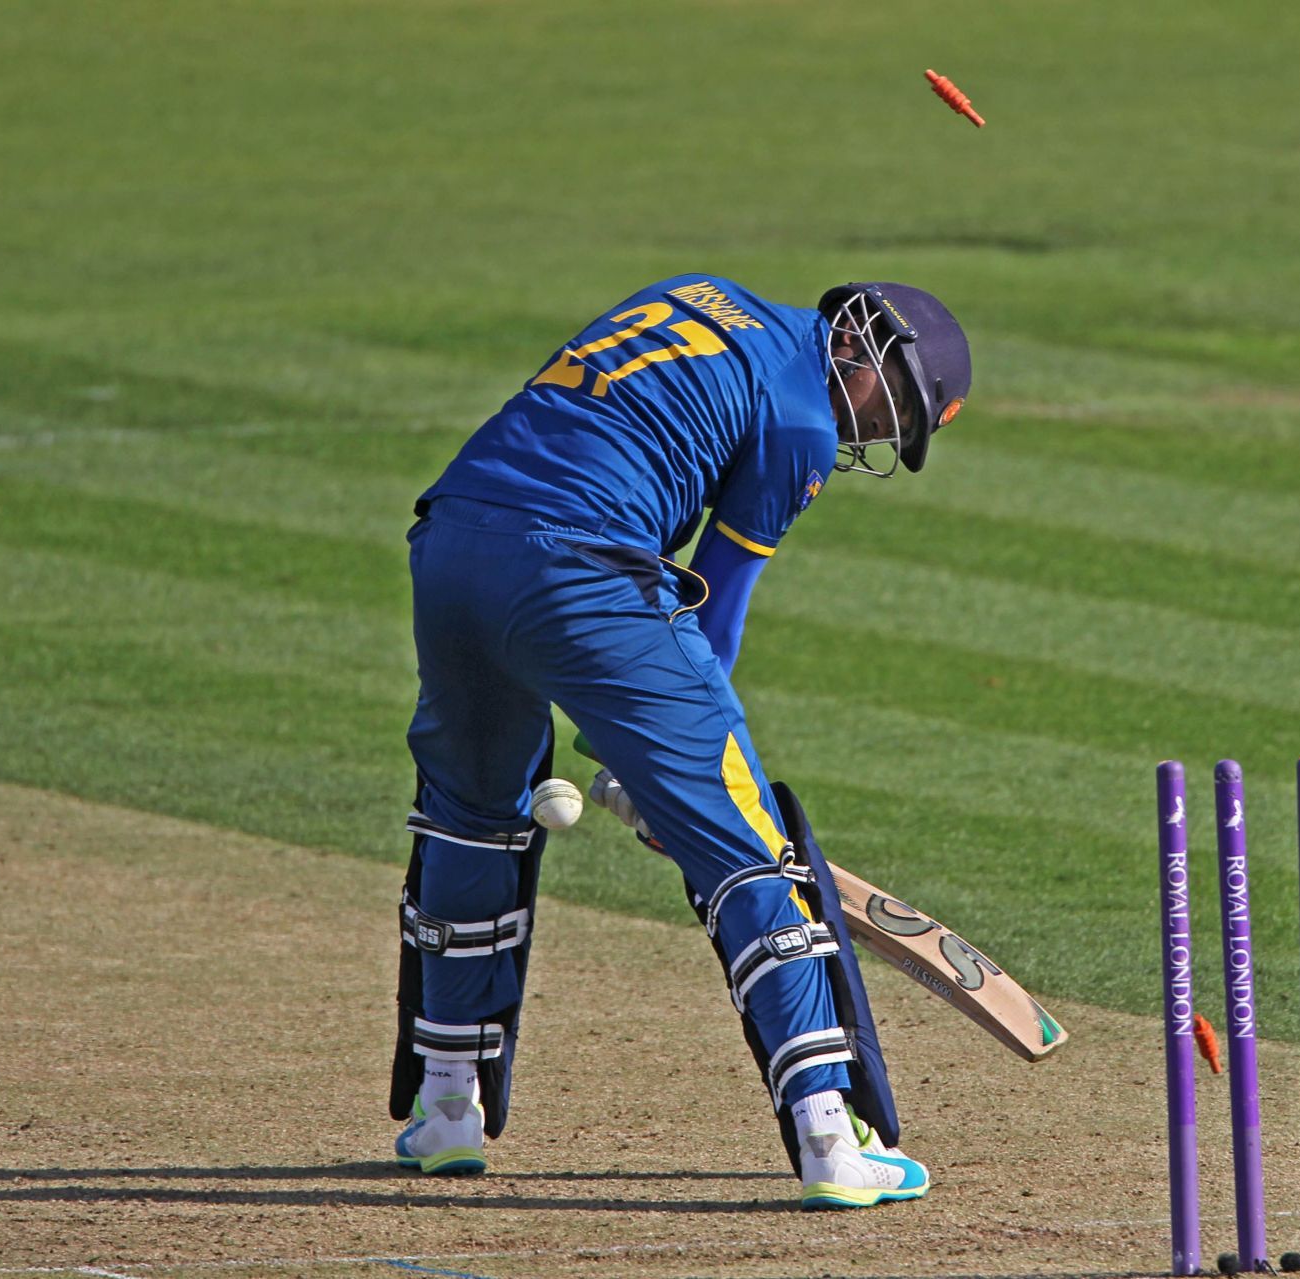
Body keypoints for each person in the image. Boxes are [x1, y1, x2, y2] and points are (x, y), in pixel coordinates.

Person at [385, 274, 971, 1210]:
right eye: (892, 408)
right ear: (866, 348)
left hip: (451, 543)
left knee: (472, 817)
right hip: (582, 567)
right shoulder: (800, 420)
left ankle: (446, 1109)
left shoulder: (698, 293)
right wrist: (665, 780)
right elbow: (716, 610)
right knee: (743, 842)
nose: (872, 435)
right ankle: (829, 1136)